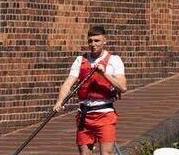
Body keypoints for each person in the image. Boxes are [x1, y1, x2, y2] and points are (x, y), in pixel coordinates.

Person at [54, 26, 128, 155]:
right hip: (84, 114)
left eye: (97, 41)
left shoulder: (114, 60)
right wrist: (59, 101)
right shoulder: (80, 60)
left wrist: (104, 73)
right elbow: (67, 84)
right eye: (90, 41)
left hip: (105, 113)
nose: (93, 44)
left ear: (104, 41)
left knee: (107, 153)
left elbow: (123, 87)